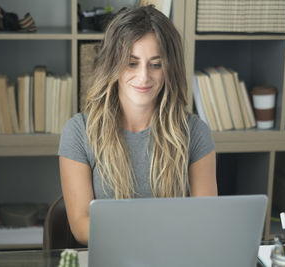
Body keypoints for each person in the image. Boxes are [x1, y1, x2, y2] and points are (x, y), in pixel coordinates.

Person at [58, 5, 217, 245]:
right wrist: (150, 237)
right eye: (132, 63)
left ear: (169, 68)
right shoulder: (79, 131)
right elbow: (82, 227)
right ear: (113, 64)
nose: (144, 77)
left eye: (156, 64)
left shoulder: (195, 132)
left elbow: (206, 221)